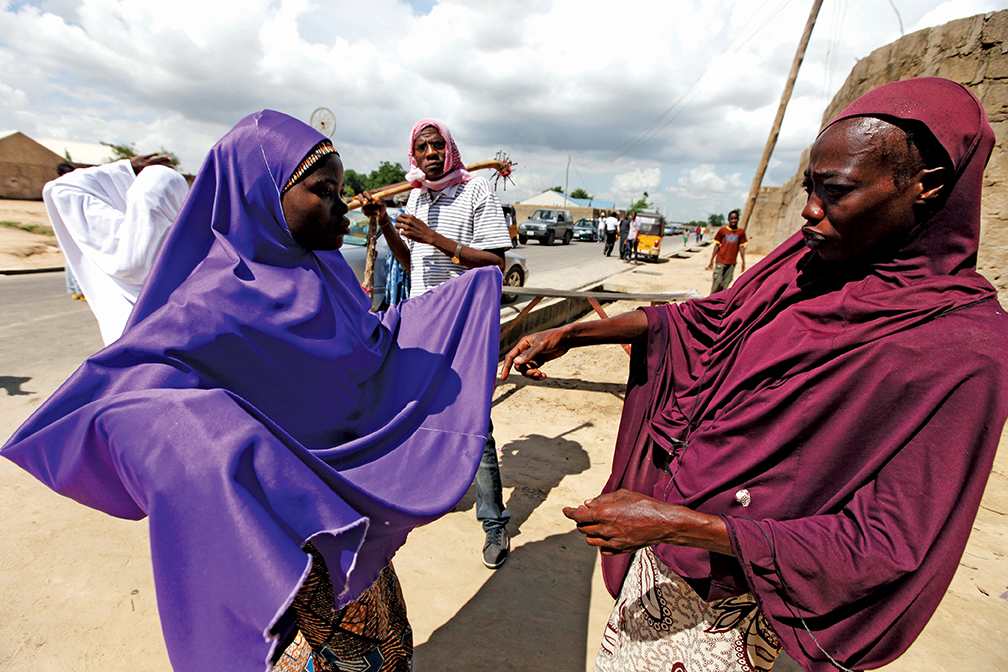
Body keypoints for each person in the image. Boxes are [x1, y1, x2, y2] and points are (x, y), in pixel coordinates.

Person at [501, 78, 1008, 672]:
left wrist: (689, 527)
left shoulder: (962, 350)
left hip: (748, 600)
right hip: (662, 537)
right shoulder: (805, 263)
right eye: (810, 188)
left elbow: (887, 545)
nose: (811, 212)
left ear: (928, 187)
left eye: (837, 192)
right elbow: (709, 320)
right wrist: (578, 332)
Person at [2, 110, 503, 672]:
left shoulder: (328, 273)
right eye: (324, 191)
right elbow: (122, 402)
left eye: (341, 190)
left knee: (384, 646)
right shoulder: (210, 302)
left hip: (342, 517)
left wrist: (463, 305)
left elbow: (371, 351)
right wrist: (222, 447)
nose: (343, 207)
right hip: (278, 540)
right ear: (261, 194)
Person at [364, 118, 513, 570]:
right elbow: (412, 264)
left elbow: (496, 264)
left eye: (436, 146)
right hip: (423, 322)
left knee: (474, 424)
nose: (430, 154)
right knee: (413, 412)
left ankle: (494, 523)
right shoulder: (415, 194)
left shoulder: (476, 192)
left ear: (449, 149)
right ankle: (425, 492)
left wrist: (436, 238)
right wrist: (388, 224)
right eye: (421, 147)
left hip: (464, 327)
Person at [43, 152, 189, 345]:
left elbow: (62, 189)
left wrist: (124, 169)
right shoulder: (206, 243)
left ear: (135, 197)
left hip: (129, 346)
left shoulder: (114, 241)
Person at [706, 209, 747, 294]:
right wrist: (711, 260)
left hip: (731, 262)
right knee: (717, 282)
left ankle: (719, 302)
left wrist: (743, 262)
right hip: (721, 260)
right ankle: (711, 299)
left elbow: (742, 247)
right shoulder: (722, 231)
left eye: (735, 218)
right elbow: (717, 245)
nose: (733, 220)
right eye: (732, 219)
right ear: (728, 220)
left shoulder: (741, 232)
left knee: (726, 283)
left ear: (738, 219)